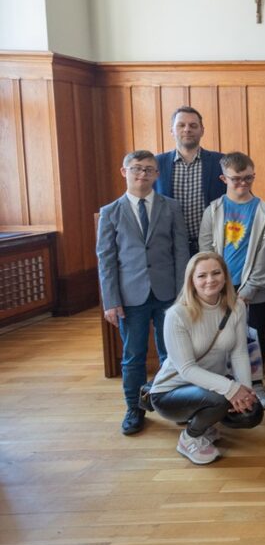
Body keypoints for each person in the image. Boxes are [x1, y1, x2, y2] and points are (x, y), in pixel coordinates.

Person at [97, 150, 189, 435]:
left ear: (157, 174)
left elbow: (181, 251)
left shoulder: (171, 207)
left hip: (167, 294)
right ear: (125, 172)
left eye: (149, 169)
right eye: (137, 169)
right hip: (130, 296)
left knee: (171, 353)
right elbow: (106, 260)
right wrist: (111, 301)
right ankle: (134, 408)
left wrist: (183, 294)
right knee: (133, 355)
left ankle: (172, 403)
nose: (143, 174)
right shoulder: (111, 212)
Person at [150, 252, 264, 465]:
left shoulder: (236, 306)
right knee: (220, 398)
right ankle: (190, 437)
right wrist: (231, 389)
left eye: (216, 273)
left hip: (209, 386)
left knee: (253, 413)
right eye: (202, 276)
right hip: (170, 392)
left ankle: (205, 424)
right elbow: (187, 369)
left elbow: (239, 352)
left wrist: (246, 391)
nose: (210, 280)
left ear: (225, 276)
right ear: (191, 281)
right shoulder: (177, 315)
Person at [198, 152, 265, 409]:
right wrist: (215, 284)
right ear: (224, 178)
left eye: (248, 178)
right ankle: (227, 385)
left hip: (252, 289)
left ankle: (256, 385)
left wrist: (248, 291)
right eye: (236, 179)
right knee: (221, 338)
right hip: (218, 289)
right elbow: (206, 248)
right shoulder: (214, 210)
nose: (243, 184)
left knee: (253, 336)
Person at [154, 106, 227, 255]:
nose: (187, 129)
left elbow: (242, 196)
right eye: (181, 125)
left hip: (213, 246)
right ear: (172, 131)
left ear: (202, 130)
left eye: (193, 125)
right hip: (170, 248)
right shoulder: (156, 164)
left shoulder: (221, 162)